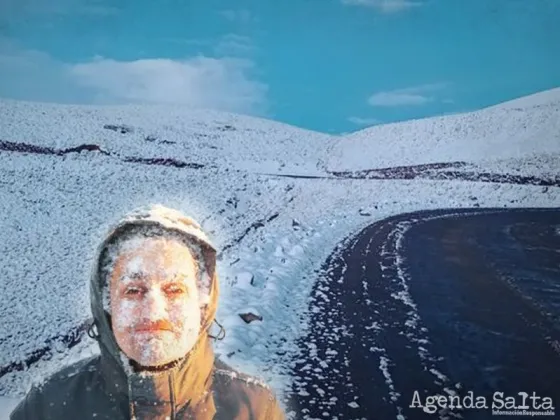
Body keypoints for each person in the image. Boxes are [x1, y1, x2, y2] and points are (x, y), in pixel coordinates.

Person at [10, 204, 285, 419]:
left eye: (174, 289)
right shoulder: (47, 406)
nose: (154, 313)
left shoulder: (254, 407)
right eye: (133, 290)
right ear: (106, 304)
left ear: (203, 302)